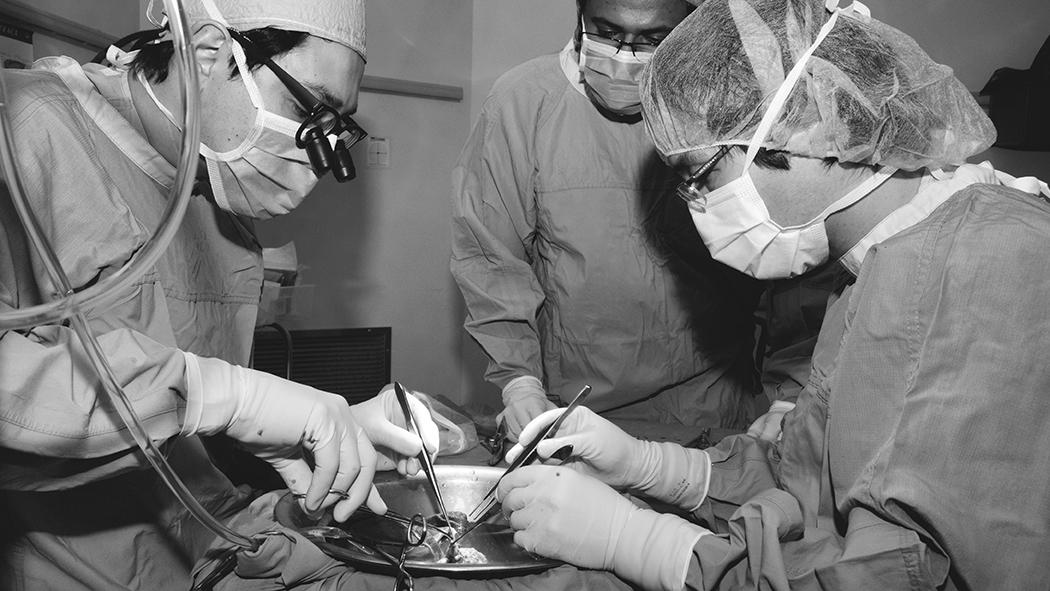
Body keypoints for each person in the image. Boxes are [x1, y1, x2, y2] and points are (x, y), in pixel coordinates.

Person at [495, 0, 1050, 589]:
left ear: (810, 124)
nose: (698, 206)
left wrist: (646, 545)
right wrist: (653, 467)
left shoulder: (992, 272)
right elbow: (813, 485)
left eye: (702, 175)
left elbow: (901, 574)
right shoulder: (878, 269)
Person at [0, 1, 443, 589]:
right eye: (312, 109)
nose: (320, 152)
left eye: (338, 126)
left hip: (202, 559)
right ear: (209, 50)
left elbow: (193, 474)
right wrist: (228, 397)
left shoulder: (219, 191)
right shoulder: (23, 128)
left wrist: (324, 444)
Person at [451, 0, 799, 441]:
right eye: (608, 32)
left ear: (692, 32)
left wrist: (789, 391)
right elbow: (491, 259)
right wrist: (520, 382)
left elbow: (788, 264)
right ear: (579, 17)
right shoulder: (523, 104)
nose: (625, 56)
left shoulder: (733, 109)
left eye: (654, 40)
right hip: (571, 411)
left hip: (707, 411)